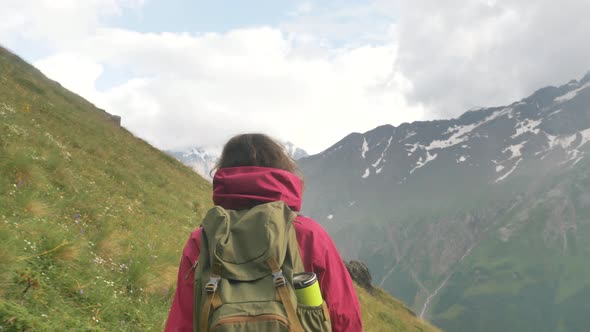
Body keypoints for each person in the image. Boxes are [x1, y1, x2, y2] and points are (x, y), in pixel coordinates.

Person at [165, 133, 363, 332]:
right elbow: (345, 315)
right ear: (283, 173)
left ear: (224, 173)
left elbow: (181, 321)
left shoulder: (202, 239)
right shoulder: (307, 233)